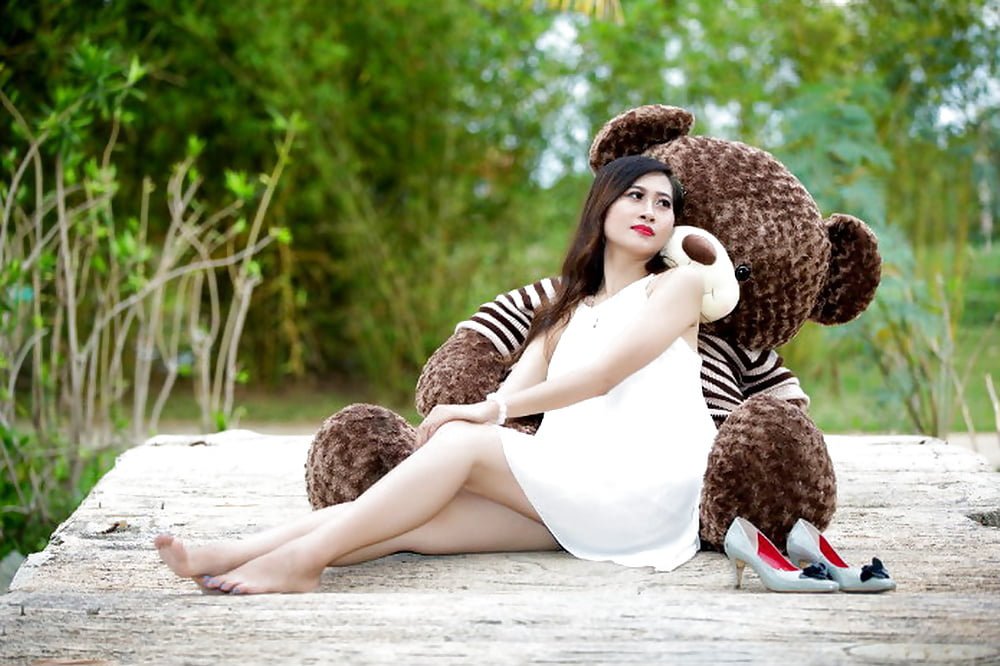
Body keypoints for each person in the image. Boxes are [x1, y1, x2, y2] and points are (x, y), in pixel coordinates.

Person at [155, 154, 716, 594]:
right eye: (636, 196)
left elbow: (603, 376)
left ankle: (302, 563)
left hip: (643, 490)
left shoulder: (679, 285)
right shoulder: (566, 311)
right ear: (602, 207)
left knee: (465, 441)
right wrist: (476, 416)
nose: (650, 211)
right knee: (413, 521)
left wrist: (480, 413)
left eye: (663, 204)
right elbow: (514, 392)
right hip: (576, 496)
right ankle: (229, 555)